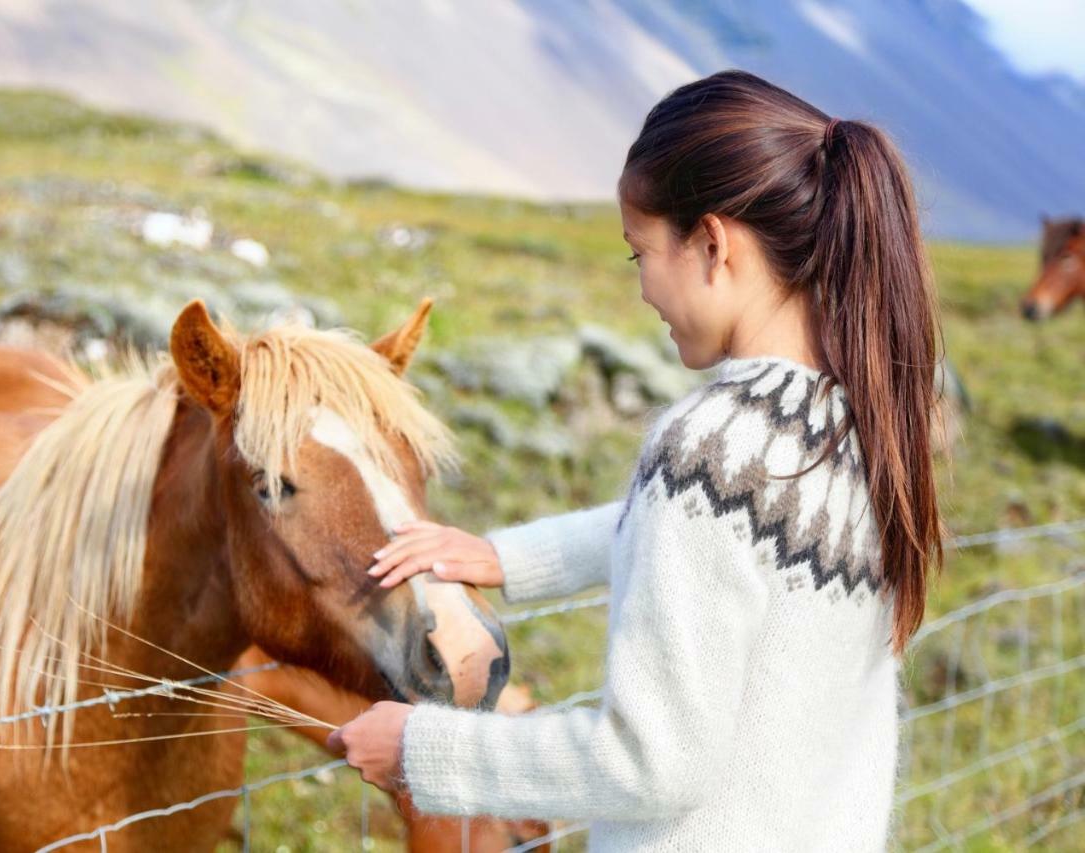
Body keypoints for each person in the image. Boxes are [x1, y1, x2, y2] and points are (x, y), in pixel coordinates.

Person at [327, 69, 945, 851]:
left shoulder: (708, 449)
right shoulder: (858, 427)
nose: (644, 290)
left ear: (713, 244)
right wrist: (503, 557)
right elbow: (722, 537)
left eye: (640, 252)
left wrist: (421, 748)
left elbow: (647, 761)